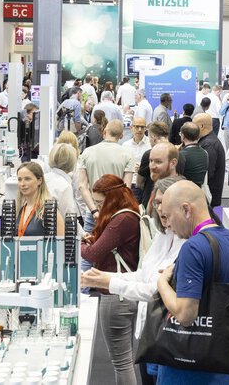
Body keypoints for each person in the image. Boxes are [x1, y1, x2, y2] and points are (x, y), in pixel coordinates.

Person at [81, 176, 187, 385]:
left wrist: (108, 281)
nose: (160, 210)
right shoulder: (164, 236)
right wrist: (107, 278)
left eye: (163, 204)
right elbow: (144, 274)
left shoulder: (124, 219)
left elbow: (154, 288)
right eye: (156, 204)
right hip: (149, 322)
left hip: (166, 327)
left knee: (123, 362)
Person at [155, 181, 229, 385]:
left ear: (186, 209)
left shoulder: (193, 247)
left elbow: (185, 314)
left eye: (169, 216)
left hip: (189, 370)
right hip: (226, 364)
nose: (168, 224)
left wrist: (162, 283)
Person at [80, 174, 140, 385]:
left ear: (111, 198)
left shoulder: (121, 219)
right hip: (125, 292)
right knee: (127, 359)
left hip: (115, 295)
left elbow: (93, 254)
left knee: (122, 363)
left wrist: (80, 243)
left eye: (99, 202)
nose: (97, 207)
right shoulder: (130, 213)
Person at [79, 120, 134, 211]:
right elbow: (126, 189)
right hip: (115, 210)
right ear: (121, 135)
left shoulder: (87, 152)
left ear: (104, 132)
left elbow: (82, 185)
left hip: (93, 208)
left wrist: (94, 211)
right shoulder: (128, 154)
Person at [13, 162, 65, 237]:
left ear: (39, 181)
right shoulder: (20, 210)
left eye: (27, 179)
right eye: (19, 179)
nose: (22, 184)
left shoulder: (49, 210)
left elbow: (60, 242)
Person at [195, 113, 227, 208]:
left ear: (201, 126)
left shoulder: (209, 144)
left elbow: (207, 172)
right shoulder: (209, 141)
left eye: (194, 125)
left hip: (209, 197)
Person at [178, 122, 209, 187]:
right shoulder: (205, 152)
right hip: (199, 189)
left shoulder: (181, 155)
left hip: (184, 189)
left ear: (183, 136)